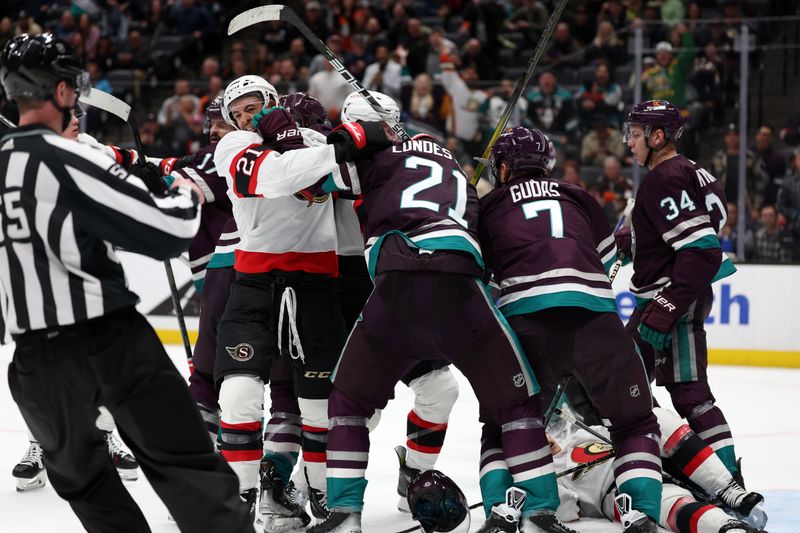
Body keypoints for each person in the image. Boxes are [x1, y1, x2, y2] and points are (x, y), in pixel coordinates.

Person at [255, 90, 577, 533]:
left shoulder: (368, 159)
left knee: (356, 401)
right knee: (515, 403)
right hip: (442, 282)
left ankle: (350, 509)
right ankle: (540, 511)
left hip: (393, 282)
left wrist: (285, 135)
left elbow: (307, 181)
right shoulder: (450, 167)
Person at [0, 33, 252, 532]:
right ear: (63, 91)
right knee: (188, 467)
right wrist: (183, 194)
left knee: (87, 487)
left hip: (34, 366)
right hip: (110, 346)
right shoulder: (69, 157)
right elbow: (166, 232)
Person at [478, 127, 663, 533]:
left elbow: (481, 279)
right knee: (634, 422)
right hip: (594, 316)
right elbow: (606, 257)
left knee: (504, 423)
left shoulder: (488, 205)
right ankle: (641, 511)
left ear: (504, 168)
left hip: (525, 319)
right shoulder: (579, 194)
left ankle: (507, 508)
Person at [212, 75, 350, 530]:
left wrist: (302, 142)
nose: (247, 117)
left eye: (255, 107)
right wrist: (304, 147)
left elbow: (328, 182)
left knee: (318, 402)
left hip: (316, 286)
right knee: (238, 396)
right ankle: (241, 500)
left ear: (273, 101)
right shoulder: (233, 146)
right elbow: (274, 180)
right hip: (255, 283)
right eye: (239, 112)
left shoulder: (311, 136)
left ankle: (323, 495)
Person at [616, 100, 744, 488]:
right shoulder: (694, 172)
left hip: (668, 299)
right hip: (680, 294)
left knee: (633, 384)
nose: (630, 143)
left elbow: (702, 248)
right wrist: (637, 238)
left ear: (658, 137)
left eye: (636, 135)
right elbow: (702, 225)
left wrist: (667, 306)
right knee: (675, 390)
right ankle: (720, 478)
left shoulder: (663, 178)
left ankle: (715, 479)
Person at [12, 108, 140, 492]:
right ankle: (41, 444)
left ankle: (105, 438)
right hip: (42, 278)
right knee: (37, 372)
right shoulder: (20, 158)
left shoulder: (90, 152)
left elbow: (130, 170)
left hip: (95, 278)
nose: (74, 121)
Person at [552, 407, 766, 532]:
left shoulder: (581, 435)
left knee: (655, 415)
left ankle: (727, 489)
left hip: (651, 461)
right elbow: (567, 509)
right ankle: (728, 527)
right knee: (676, 505)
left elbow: (627, 431)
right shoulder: (550, 477)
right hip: (620, 494)